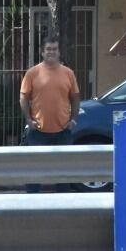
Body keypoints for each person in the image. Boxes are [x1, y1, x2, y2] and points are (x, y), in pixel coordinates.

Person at [19, 37, 82, 193]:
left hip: (63, 132)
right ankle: (32, 205)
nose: (51, 52)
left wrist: (73, 119)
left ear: (59, 52)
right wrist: (28, 119)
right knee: (35, 173)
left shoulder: (68, 73)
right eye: (48, 49)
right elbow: (23, 97)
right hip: (38, 132)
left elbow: (75, 97)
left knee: (63, 173)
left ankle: (64, 207)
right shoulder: (32, 73)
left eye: (54, 49)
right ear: (42, 52)